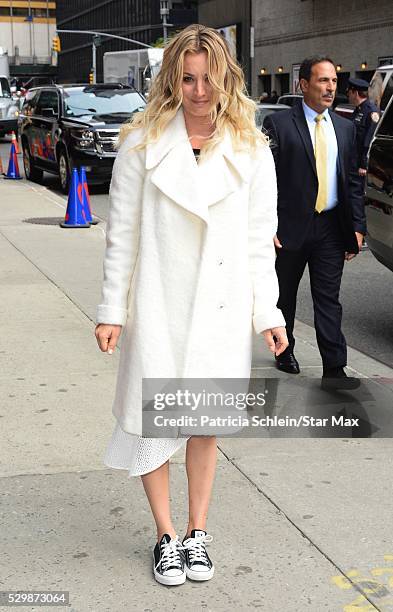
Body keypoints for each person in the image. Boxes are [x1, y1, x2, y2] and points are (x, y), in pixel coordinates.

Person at [95, 24, 288, 587]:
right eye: (186, 78)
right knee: (150, 418)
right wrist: (112, 310)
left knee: (204, 423)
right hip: (159, 300)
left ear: (225, 77)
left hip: (221, 308)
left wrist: (269, 315)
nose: (198, 90)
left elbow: (259, 241)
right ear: (171, 80)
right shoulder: (141, 142)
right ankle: (165, 535)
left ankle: (197, 533)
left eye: (208, 78)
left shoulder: (251, 147)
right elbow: (121, 234)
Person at [264, 56, 366, 389]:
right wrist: (268, 225)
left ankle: (334, 368)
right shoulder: (280, 126)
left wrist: (357, 226)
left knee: (328, 299)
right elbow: (266, 180)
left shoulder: (346, 128)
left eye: (334, 81)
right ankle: (285, 349)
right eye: (322, 81)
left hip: (331, 228)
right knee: (286, 296)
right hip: (289, 227)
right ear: (303, 85)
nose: (330, 88)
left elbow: (353, 181)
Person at [346, 77, 380, 179]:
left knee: (356, 192)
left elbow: (368, 140)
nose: (348, 96)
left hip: (359, 165)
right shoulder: (358, 109)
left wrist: (363, 164)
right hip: (352, 160)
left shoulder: (371, 112)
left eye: (349, 93)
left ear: (355, 93)